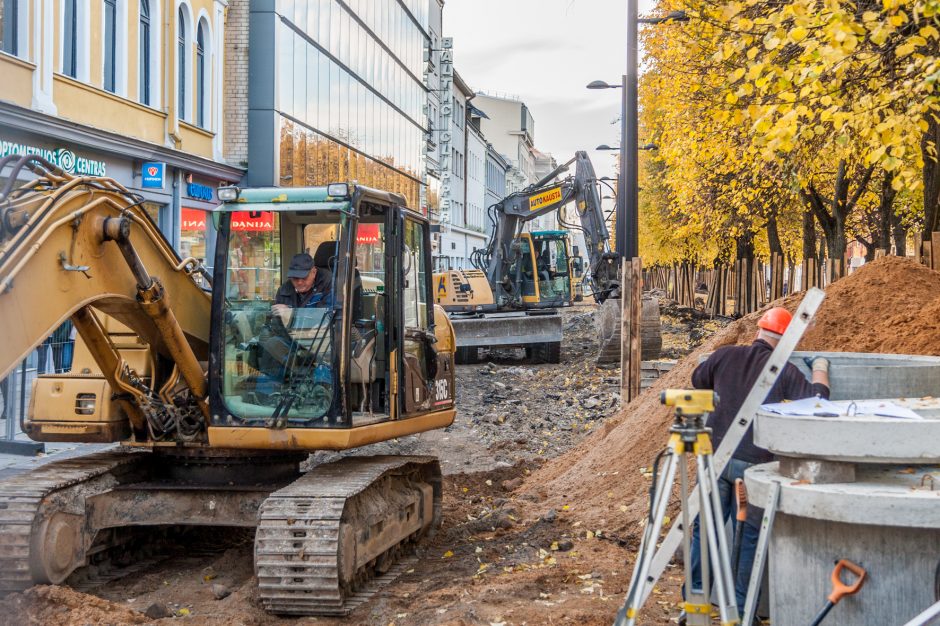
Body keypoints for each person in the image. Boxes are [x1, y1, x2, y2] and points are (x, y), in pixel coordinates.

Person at [685, 306, 830, 621]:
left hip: (716, 458)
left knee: (705, 529)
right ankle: (742, 611)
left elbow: (698, 379)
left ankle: (694, 600)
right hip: (756, 468)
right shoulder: (786, 372)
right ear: (785, 342)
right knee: (750, 537)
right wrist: (820, 370)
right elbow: (818, 406)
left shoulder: (726, 356)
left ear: (758, 333)